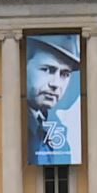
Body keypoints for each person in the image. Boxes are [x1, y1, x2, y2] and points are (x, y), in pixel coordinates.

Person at [25, 35, 80, 166]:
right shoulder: (21, 122)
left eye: (65, 74)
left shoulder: (55, 128)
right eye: (47, 70)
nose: (56, 84)